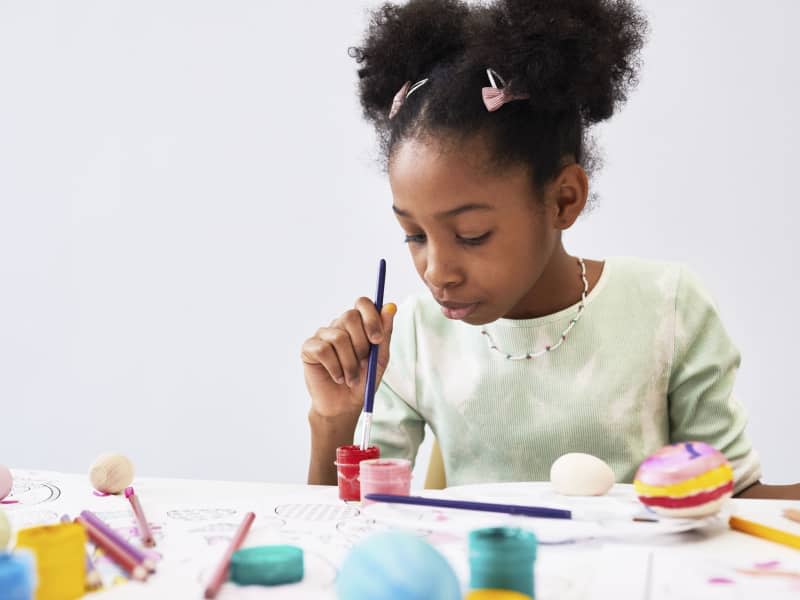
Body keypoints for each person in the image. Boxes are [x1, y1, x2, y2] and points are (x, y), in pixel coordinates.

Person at [302, 0, 799, 499]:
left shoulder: (666, 307)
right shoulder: (409, 337)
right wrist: (334, 419)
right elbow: (354, 523)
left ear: (563, 200)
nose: (437, 271)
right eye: (414, 235)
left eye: (472, 234)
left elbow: (736, 502)